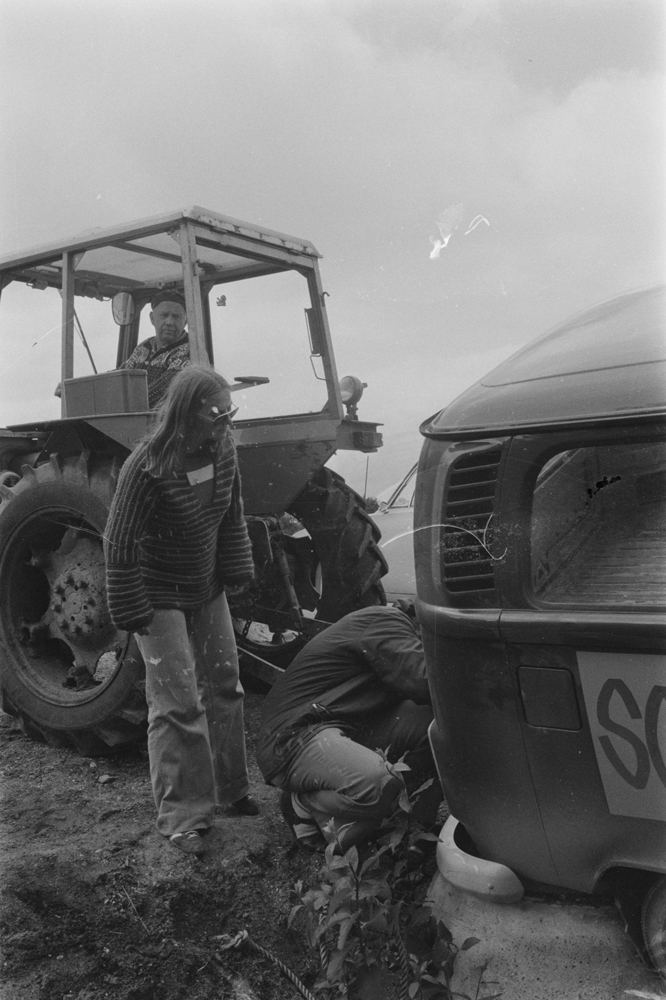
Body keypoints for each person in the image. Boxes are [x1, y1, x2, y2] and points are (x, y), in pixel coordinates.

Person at [103, 364, 258, 856]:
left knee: (226, 682)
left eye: (229, 414)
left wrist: (235, 569)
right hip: (157, 591)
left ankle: (230, 790)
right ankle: (183, 815)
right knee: (178, 701)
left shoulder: (222, 448)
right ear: (188, 414)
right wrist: (131, 608)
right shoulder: (147, 466)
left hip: (204, 584)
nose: (226, 425)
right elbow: (119, 543)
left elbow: (230, 510)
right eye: (217, 416)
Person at [256, 604, 442, 853]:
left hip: (343, 725)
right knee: (381, 785)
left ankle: (408, 832)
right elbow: (422, 680)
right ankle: (303, 803)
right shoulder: (386, 620)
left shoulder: (403, 630)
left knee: (438, 727)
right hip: (295, 735)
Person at [119, 289, 192, 407]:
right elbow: (119, 376)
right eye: (164, 315)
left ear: (186, 321)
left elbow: (158, 392)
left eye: (176, 316)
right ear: (152, 318)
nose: (169, 322)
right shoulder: (144, 347)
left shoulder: (189, 351)